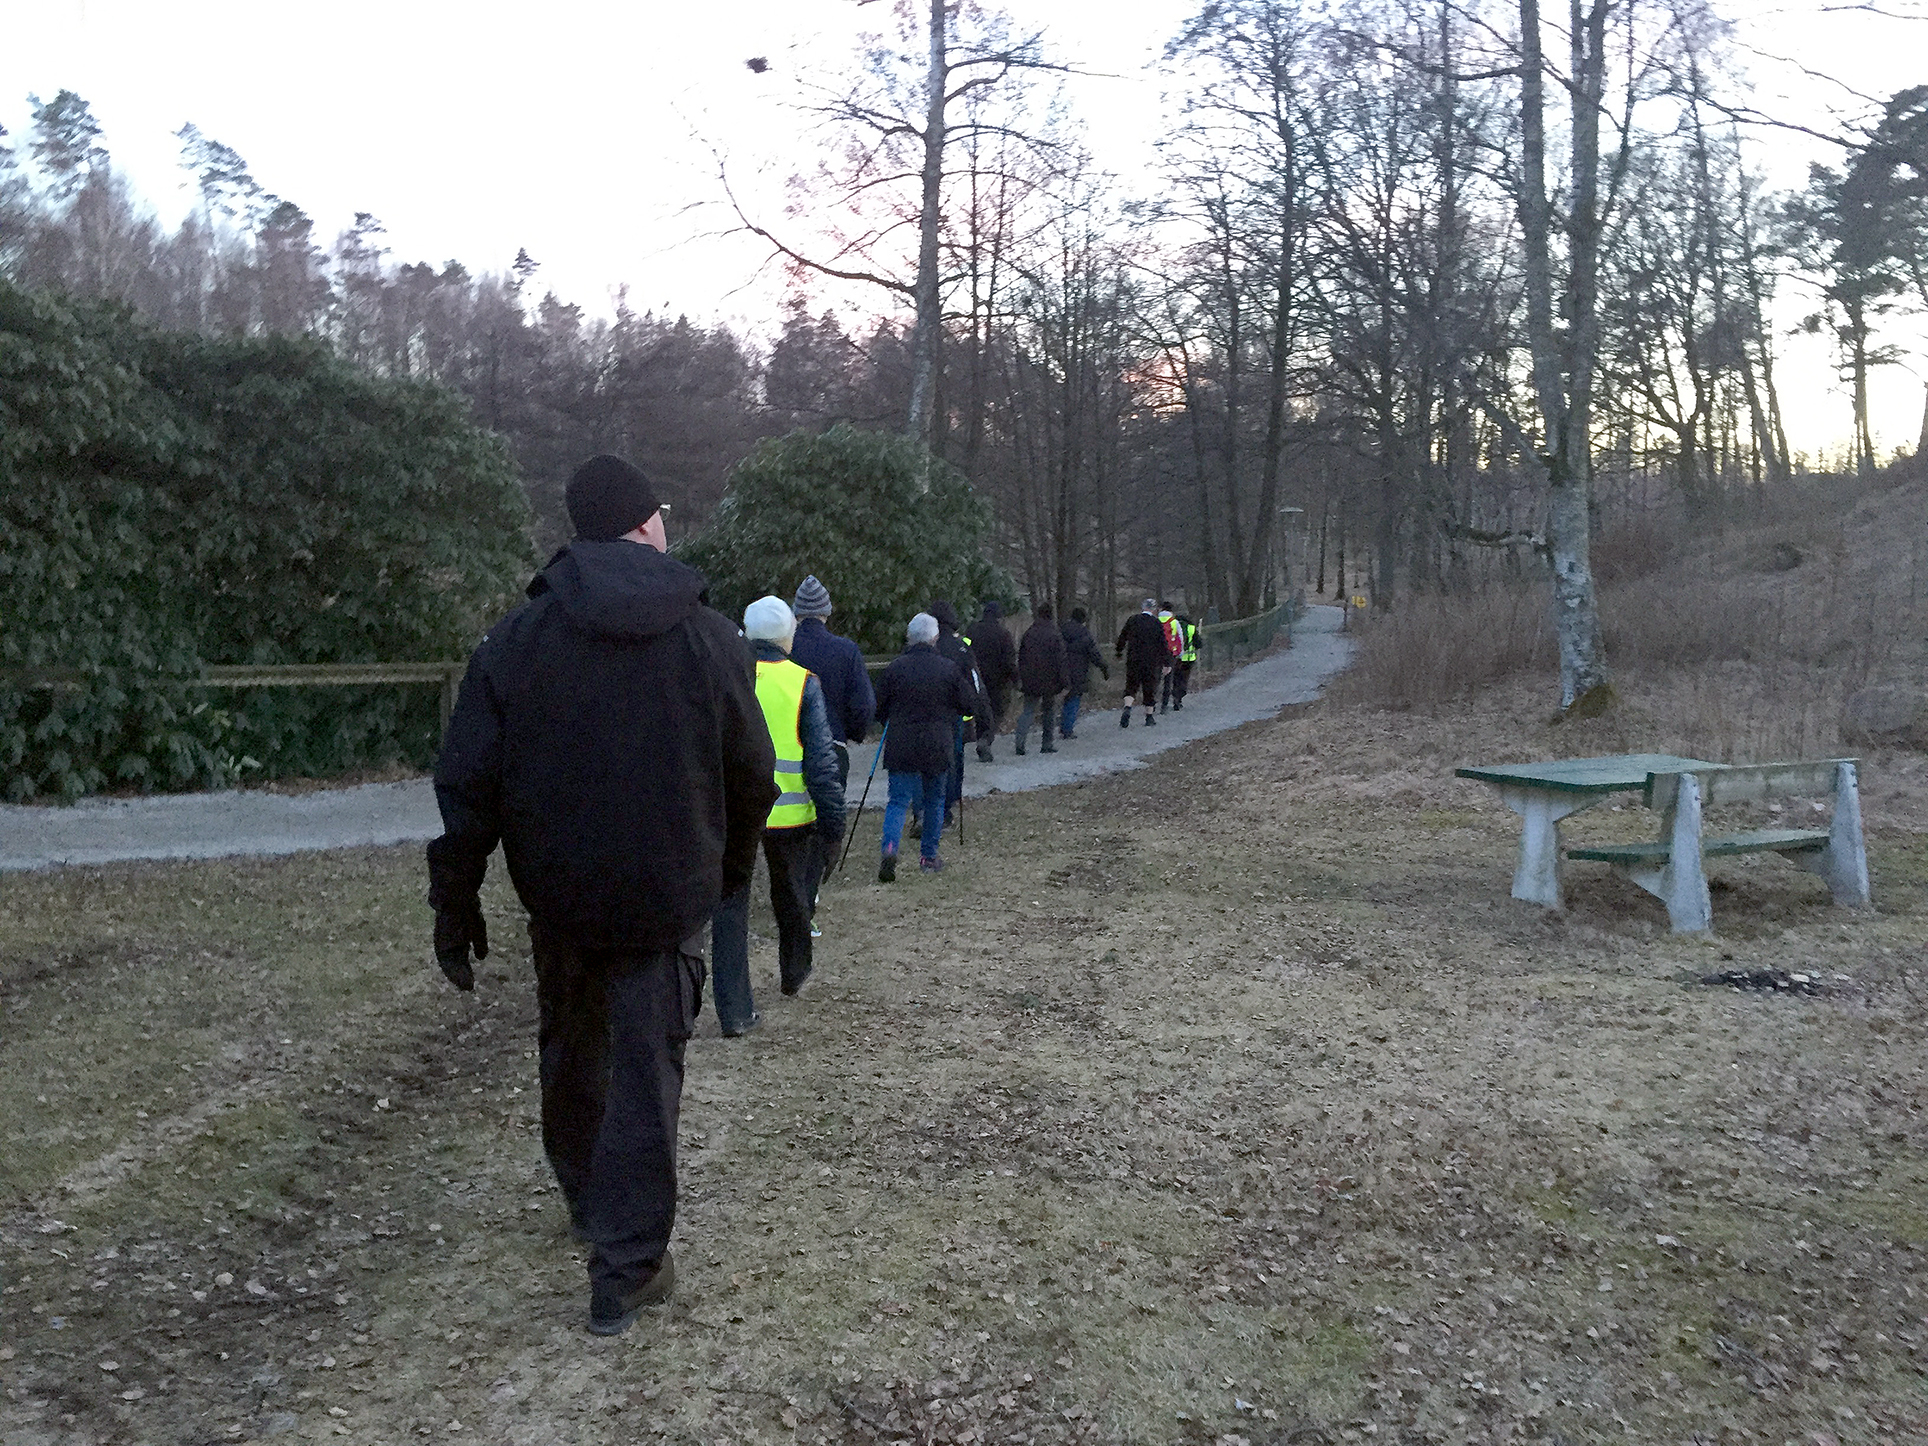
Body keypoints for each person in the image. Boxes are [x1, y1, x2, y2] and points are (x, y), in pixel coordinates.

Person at [427, 453, 775, 1337]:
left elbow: (467, 783)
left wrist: (456, 898)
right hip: (666, 896)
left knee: (575, 1049)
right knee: (646, 1072)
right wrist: (727, 876)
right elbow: (753, 773)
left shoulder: (515, 641)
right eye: (659, 512)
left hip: (563, 897)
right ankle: (624, 1267)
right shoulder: (710, 638)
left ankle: (591, 1205)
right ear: (645, 523)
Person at [709, 597, 847, 1037]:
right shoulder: (804, 683)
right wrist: (833, 825)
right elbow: (821, 764)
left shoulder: (726, 675)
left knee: (730, 909)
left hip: (734, 812)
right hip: (789, 816)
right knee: (791, 897)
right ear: (788, 636)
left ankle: (734, 1009)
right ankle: (795, 971)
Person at [873, 612, 976, 880]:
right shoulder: (948, 669)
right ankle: (928, 857)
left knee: (897, 801)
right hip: (937, 743)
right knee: (935, 800)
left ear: (909, 638)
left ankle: (890, 850)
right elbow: (968, 704)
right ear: (935, 637)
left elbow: (879, 708)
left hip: (901, 743)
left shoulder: (894, 668)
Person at [788, 576, 875, 792]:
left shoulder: (785, 651)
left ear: (796, 613)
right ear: (826, 611)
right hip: (832, 744)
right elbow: (864, 704)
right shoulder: (846, 650)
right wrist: (853, 733)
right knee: (830, 815)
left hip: (788, 746)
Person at [929, 600, 987, 820]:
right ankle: (948, 804)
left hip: (929, 712)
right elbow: (974, 682)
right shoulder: (961, 647)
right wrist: (975, 706)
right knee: (955, 758)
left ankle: (927, 809)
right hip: (955, 713)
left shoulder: (927, 644)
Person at [1014, 602, 1070, 755]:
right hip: (1050, 680)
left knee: (1028, 711)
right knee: (1049, 712)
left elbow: (1021, 658)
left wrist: (1020, 678)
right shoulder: (1055, 635)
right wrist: (1065, 682)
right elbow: (1061, 660)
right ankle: (1047, 743)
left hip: (1030, 679)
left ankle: (1020, 741)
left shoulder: (1029, 633)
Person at [968, 600, 1016, 762]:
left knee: (981, 710)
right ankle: (986, 739)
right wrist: (1015, 679)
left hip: (975, 677)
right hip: (997, 680)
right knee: (995, 712)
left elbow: (965, 651)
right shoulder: (1003, 634)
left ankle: (980, 736)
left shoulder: (972, 631)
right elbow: (1009, 660)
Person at [1115, 597, 1170, 728]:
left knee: (1131, 686)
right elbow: (1163, 644)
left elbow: (1122, 637)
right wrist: (1166, 662)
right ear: (1154, 609)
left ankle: (1128, 707)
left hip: (1133, 659)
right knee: (1149, 688)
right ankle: (1149, 717)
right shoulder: (1156, 623)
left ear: (1142, 607)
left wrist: (1119, 651)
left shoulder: (1132, 620)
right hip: (1151, 661)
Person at [1059, 606, 1109, 739]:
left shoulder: (1061, 630)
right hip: (1078, 670)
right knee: (1074, 699)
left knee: (1065, 697)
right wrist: (1103, 667)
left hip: (1061, 669)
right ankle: (1067, 729)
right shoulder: (1084, 634)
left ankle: (1062, 724)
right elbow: (1094, 654)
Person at [1164, 607, 1200, 711]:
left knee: (1176, 677)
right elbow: (1198, 644)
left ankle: (1175, 696)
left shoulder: (1172, 626)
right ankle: (1179, 696)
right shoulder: (1191, 628)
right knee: (1184, 679)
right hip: (1188, 659)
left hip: (1175, 657)